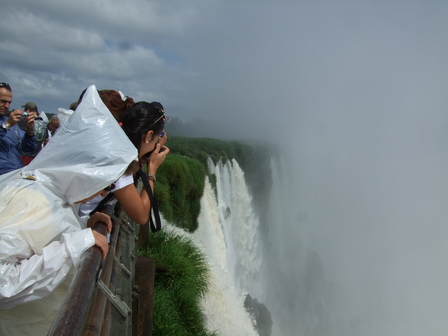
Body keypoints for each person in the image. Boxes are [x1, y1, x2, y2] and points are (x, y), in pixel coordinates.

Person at [0, 85, 138, 335]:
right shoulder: (29, 200)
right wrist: (75, 244)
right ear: (84, 170)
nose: (101, 194)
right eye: (105, 184)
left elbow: (36, 239)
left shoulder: (51, 192)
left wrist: (80, 225)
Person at [79, 93, 169, 225]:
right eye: (158, 135)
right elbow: (142, 216)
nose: (158, 141)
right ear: (149, 135)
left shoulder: (114, 150)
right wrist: (152, 169)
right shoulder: (120, 163)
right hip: (73, 223)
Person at [0, 82, 36, 175]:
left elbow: (27, 149)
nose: (7, 106)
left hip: (16, 174)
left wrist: (30, 131)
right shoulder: (9, 122)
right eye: (3, 101)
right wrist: (6, 126)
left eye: (9, 102)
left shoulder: (12, 123)